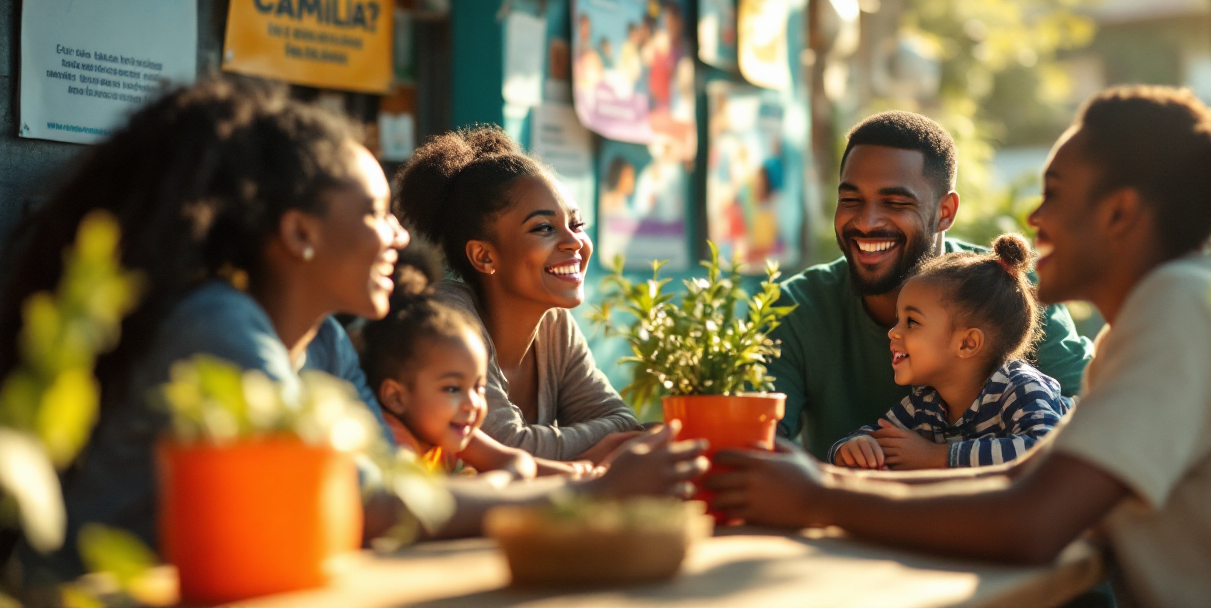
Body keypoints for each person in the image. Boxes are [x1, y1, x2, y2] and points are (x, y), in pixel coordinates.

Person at [0, 79, 706, 584]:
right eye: (373, 211)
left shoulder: (327, 343)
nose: (399, 235)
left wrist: (542, 483)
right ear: (301, 233)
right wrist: (587, 491)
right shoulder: (216, 323)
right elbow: (366, 507)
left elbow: (394, 489)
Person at [710, 86, 1211, 607]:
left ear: (1120, 214)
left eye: (1056, 195)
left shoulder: (1185, 307)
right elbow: (1019, 478)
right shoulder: (1165, 315)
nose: (1034, 219)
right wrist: (816, 483)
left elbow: (1033, 520)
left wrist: (820, 498)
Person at [769, 111, 1093, 459]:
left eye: (895, 203)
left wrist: (940, 459)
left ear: (945, 211)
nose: (866, 222)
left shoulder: (1010, 291)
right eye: (851, 200)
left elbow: (1095, 427)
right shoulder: (797, 307)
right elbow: (757, 444)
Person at [395, 126, 643, 463]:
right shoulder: (447, 321)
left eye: (577, 224)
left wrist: (607, 444)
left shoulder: (555, 326)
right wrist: (602, 449)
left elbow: (625, 423)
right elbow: (508, 448)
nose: (574, 242)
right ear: (484, 256)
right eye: (544, 228)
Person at [831, 234, 1071, 471]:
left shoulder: (1020, 387)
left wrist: (939, 456)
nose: (893, 332)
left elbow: (1044, 451)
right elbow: (881, 436)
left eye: (911, 321)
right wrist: (854, 446)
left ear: (967, 343)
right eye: (898, 320)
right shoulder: (926, 402)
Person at [362, 281, 592, 478]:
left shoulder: (446, 430)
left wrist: (577, 474)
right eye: (452, 388)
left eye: (479, 387)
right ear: (396, 397)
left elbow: (518, 462)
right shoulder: (391, 440)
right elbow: (430, 504)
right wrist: (496, 483)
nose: (473, 402)